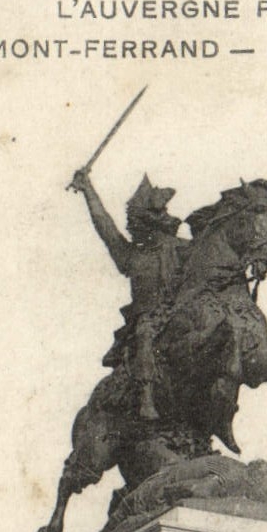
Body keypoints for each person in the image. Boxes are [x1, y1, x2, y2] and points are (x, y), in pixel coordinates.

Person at [70, 167, 188, 425]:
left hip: (180, 314)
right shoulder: (130, 255)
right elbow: (105, 225)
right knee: (145, 333)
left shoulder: (180, 248)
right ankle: (146, 397)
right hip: (147, 320)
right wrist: (88, 190)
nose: (165, 216)